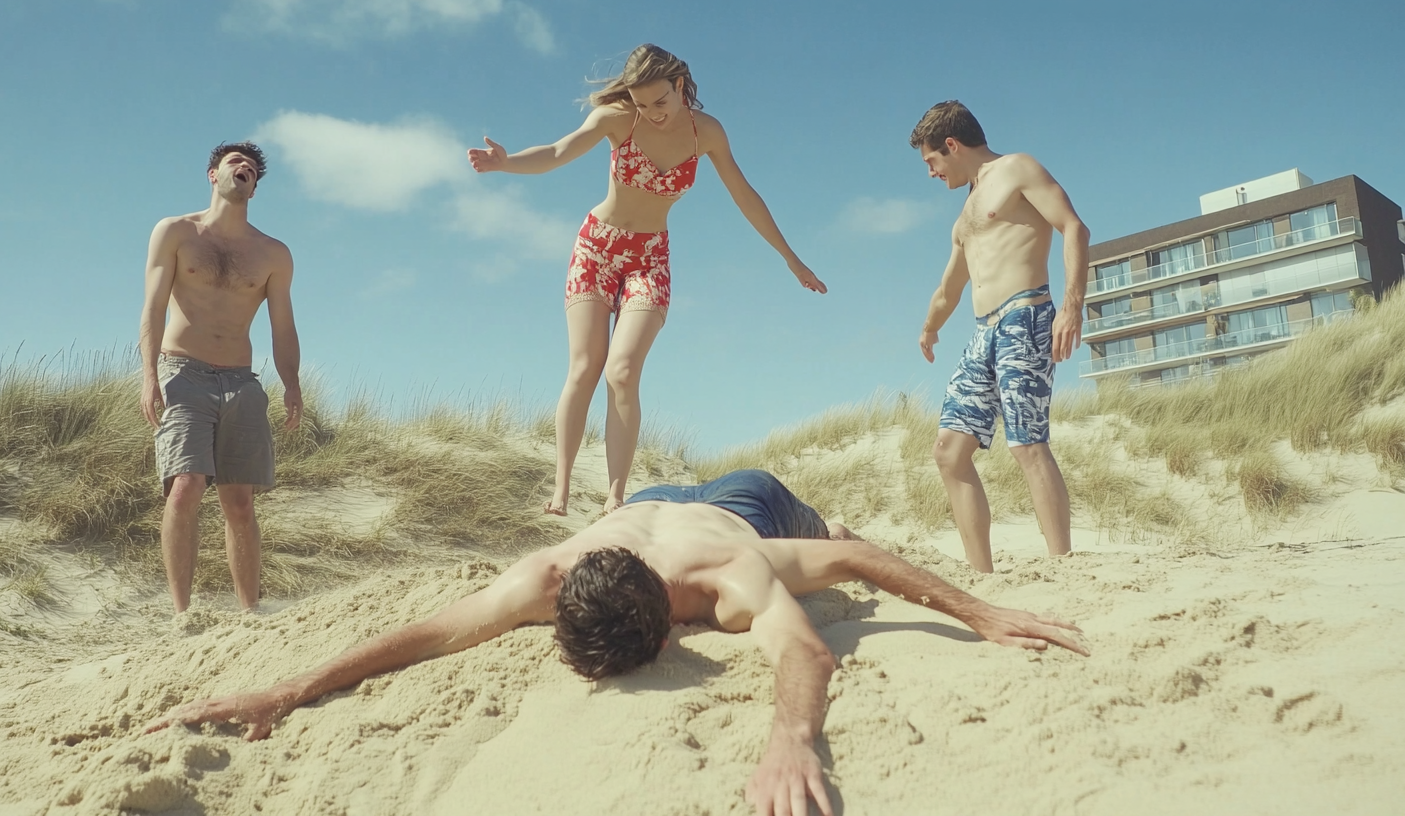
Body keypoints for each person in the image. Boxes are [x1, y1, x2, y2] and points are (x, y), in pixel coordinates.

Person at [146, 469, 1088, 816]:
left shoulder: (726, 577)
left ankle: (815, 494)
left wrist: (792, 737)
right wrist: (291, 687)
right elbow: (429, 633)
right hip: (629, 507)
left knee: (829, 542)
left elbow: (820, 624)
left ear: (673, 619)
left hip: (742, 501)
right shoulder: (546, 578)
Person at [467, 44, 827, 518]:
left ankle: (615, 497)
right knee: (586, 365)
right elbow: (558, 151)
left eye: (660, 102)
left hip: (649, 258)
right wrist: (506, 162)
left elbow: (745, 196)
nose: (652, 114)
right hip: (596, 247)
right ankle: (562, 489)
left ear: (679, 87)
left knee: (622, 370)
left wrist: (790, 259)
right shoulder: (617, 119)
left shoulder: (707, 132)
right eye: (642, 105)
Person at [910, 100, 1090, 573]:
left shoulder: (1017, 170)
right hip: (981, 332)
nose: (930, 173)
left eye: (931, 161)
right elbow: (951, 286)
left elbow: (1074, 227)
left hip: (1025, 315)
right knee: (949, 452)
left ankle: (1062, 565)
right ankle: (981, 575)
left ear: (951, 145)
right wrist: (930, 327)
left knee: (1027, 443)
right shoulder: (965, 212)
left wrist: (1071, 305)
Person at [138, 142, 303, 613]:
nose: (244, 169)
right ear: (213, 175)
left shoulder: (273, 253)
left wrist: (291, 383)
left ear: (255, 187)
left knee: (239, 501)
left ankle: (249, 614)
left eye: (251, 168)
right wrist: (149, 374)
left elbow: (283, 326)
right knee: (185, 486)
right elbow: (151, 307)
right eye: (235, 163)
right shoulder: (175, 232)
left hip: (241, 380)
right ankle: (182, 615)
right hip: (182, 371)